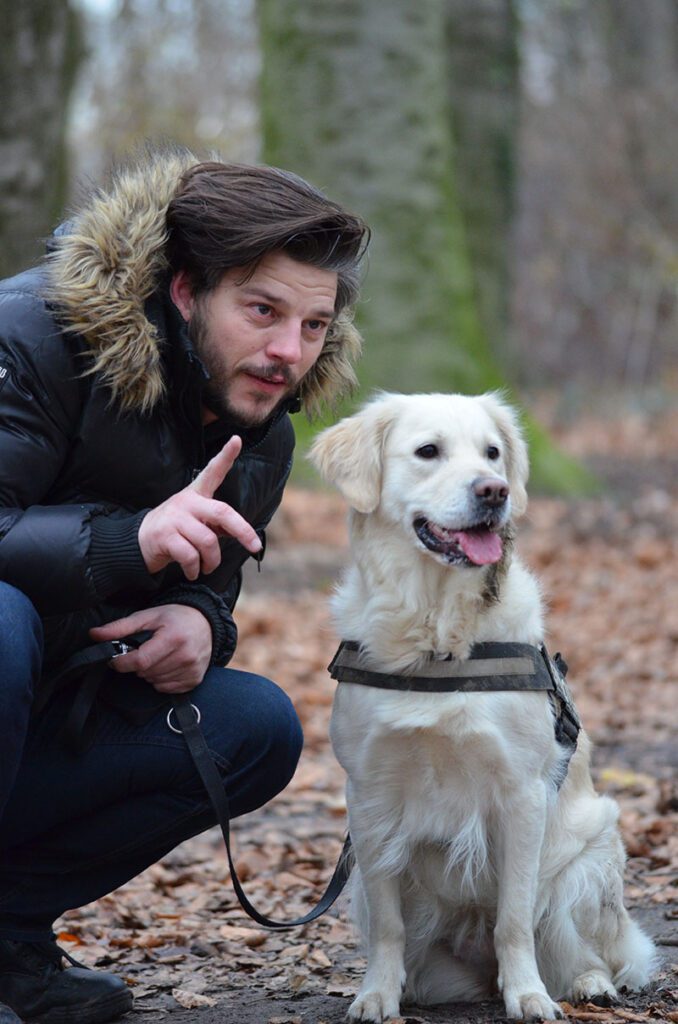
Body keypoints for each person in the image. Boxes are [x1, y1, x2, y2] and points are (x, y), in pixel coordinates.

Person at [0, 146, 369, 1024]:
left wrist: (203, 625)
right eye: (262, 310)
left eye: (314, 326)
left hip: (55, 702)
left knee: (254, 726)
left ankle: (8, 939)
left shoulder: (261, 424)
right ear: (183, 290)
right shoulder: (32, 334)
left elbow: (213, 581)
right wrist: (130, 542)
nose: (289, 352)